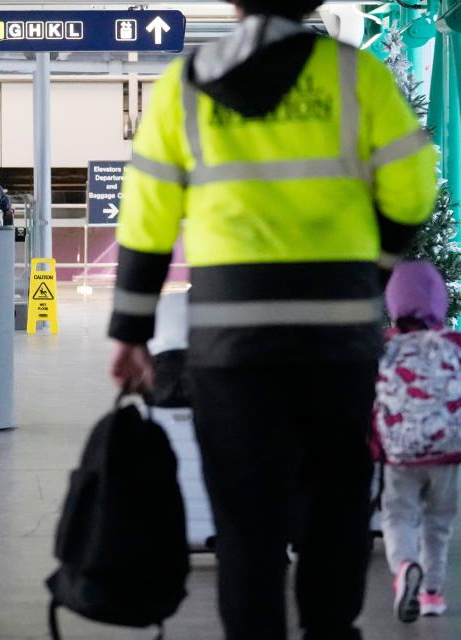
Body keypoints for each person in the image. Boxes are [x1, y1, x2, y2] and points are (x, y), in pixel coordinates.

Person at [108, 1, 438, 639]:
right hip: (338, 332)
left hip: (231, 339)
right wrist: (370, 273)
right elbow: (414, 186)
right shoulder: (356, 76)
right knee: (337, 502)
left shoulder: (185, 83)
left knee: (244, 518)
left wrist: (131, 330)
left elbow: (146, 214)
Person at [375, 261, 461, 622]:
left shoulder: (385, 346)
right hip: (447, 452)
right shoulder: (454, 344)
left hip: (399, 454)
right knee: (438, 523)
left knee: (398, 516)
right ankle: (431, 595)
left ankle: (405, 565)